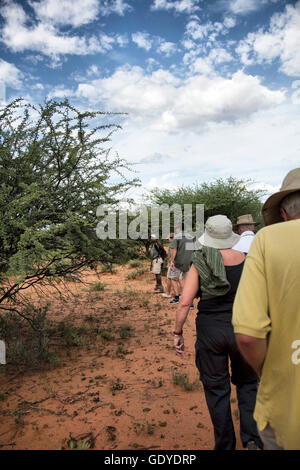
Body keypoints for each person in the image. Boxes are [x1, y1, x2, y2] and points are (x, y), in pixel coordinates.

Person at [173, 215, 263, 450]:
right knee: (248, 384)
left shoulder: (200, 263)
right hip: (243, 330)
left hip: (211, 334)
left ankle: (225, 445)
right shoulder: (247, 260)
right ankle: (252, 438)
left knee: (216, 388)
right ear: (231, 235)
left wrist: (177, 331)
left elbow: (184, 303)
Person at [232, 168, 300, 450]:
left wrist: (266, 370)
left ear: (283, 213)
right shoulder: (257, 239)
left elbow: (248, 334)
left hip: (288, 407)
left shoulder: (268, 240)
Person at [169, 223, 195, 305]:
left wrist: (172, 261)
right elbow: (193, 250)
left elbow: (174, 250)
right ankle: (190, 302)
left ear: (179, 228)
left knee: (173, 278)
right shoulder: (191, 237)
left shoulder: (177, 237)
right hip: (189, 262)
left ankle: (177, 298)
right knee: (188, 282)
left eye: (176, 227)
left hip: (178, 262)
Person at [162, 233, 182, 298]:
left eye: (168, 239)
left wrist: (171, 262)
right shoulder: (179, 245)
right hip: (179, 263)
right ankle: (183, 294)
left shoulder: (173, 245)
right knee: (178, 279)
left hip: (174, 264)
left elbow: (172, 255)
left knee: (170, 278)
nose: (168, 240)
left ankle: (169, 293)